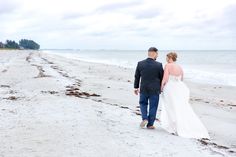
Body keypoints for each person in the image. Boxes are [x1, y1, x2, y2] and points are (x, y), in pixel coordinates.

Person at [160, 52, 210, 139]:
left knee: (171, 106)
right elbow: (182, 78)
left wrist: (161, 86)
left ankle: (174, 126)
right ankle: (181, 124)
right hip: (180, 88)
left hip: (170, 88)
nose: (166, 59)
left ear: (170, 58)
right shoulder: (179, 67)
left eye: (167, 57)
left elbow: (165, 78)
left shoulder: (168, 65)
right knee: (180, 106)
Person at [134, 47, 164, 129]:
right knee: (153, 106)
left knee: (143, 104)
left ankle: (145, 118)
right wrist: (161, 88)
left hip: (143, 88)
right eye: (157, 54)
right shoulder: (159, 65)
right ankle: (150, 124)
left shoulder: (140, 63)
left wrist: (136, 87)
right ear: (155, 53)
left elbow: (137, 76)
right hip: (155, 89)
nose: (157, 55)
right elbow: (162, 78)